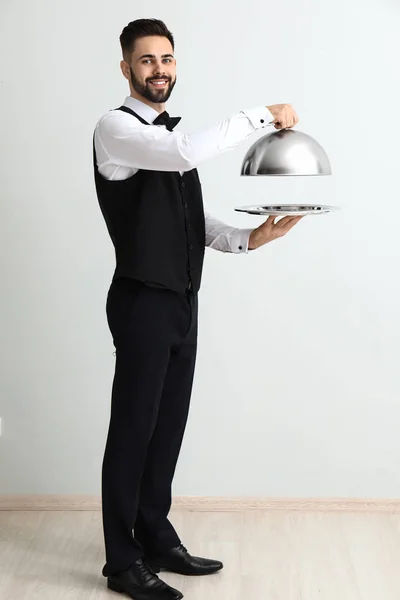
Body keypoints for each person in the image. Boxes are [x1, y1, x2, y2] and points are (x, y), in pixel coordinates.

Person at [93, 18, 303, 600]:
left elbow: (187, 222)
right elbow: (185, 149)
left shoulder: (163, 138)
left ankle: (156, 534)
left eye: (166, 59)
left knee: (168, 427)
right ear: (126, 68)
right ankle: (121, 562)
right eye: (146, 60)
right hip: (142, 302)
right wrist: (262, 113)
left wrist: (247, 238)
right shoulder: (117, 129)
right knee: (133, 430)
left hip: (182, 301)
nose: (159, 69)